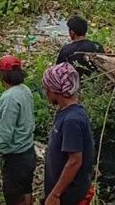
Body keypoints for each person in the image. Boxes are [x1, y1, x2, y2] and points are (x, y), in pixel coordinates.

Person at [0, 56, 36, 205]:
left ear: (2, 75)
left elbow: (6, 132)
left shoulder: (9, 98)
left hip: (16, 158)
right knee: (26, 189)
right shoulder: (24, 90)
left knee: (13, 196)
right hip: (28, 151)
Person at [42, 63, 95, 205]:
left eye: (47, 88)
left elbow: (75, 161)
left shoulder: (72, 120)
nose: (45, 92)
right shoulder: (65, 112)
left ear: (54, 89)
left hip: (70, 195)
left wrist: (55, 194)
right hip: (65, 193)